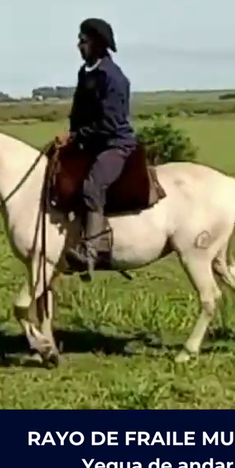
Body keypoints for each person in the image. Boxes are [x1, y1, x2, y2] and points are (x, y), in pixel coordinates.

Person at [57, 17, 136, 278]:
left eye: (83, 41)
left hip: (115, 143)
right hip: (89, 142)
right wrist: (71, 136)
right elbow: (78, 112)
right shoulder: (86, 72)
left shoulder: (113, 78)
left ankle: (92, 251)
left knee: (92, 185)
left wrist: (76, 136)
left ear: (97, 44)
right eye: (79, 41)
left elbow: (109, 123)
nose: (79, 46)